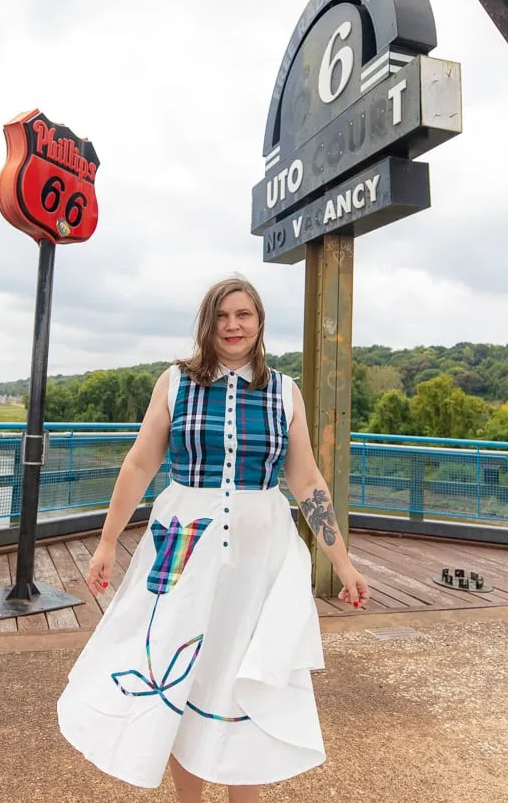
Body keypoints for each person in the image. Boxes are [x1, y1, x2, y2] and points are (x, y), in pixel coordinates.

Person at [57, 276, 371, 802]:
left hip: (260, 560)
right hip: (183, 549)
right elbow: (139, 463)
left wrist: (343, 563)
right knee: (187, 674)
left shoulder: (283, 391)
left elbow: (308, 483)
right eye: (223, 316)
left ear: (259, 322)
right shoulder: (175, 382)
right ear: (208, 323)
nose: (233, 326)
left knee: (242, 679)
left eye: (243, 315)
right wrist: (108, 541)